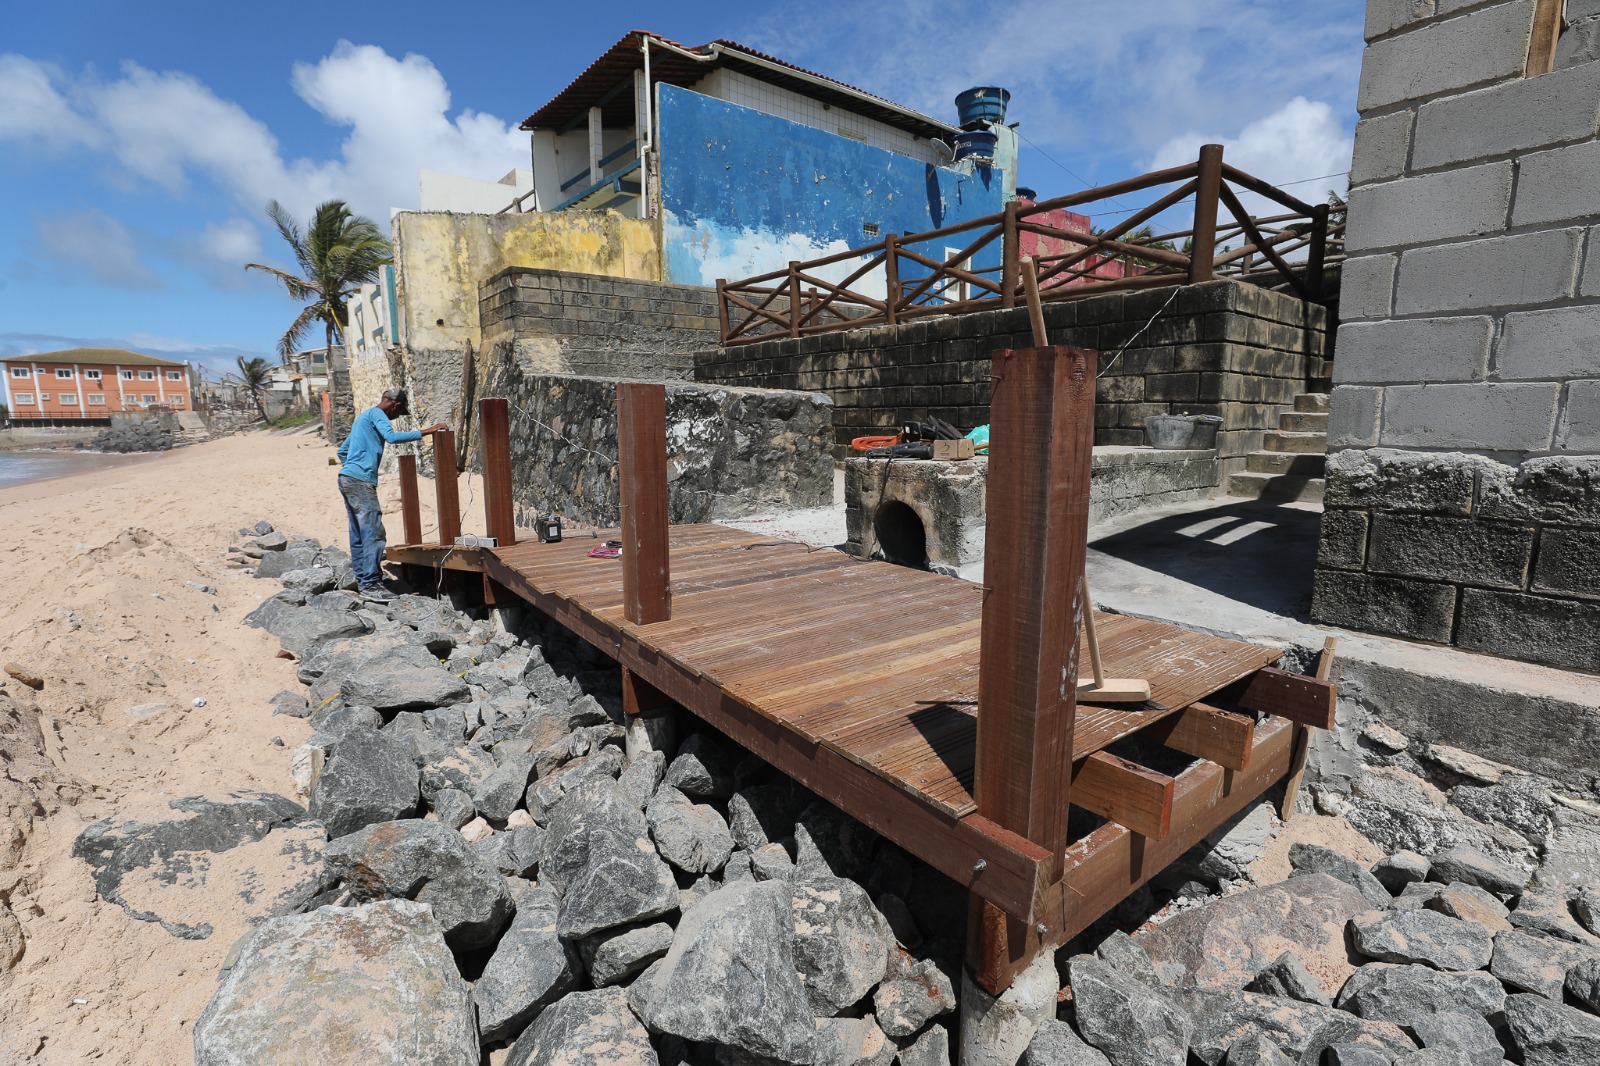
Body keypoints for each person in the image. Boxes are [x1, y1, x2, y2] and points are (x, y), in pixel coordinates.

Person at [336, 388, 446, 600]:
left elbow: (342, 451)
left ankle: (363, 579)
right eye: (400, 412)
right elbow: (392, 437)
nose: (397, 417)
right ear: (395, 405)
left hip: (346, 478)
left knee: (359, 532)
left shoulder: (362, 418)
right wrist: (427, 431)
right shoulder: (377, 414)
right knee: (373, 531)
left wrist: (353, 466)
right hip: (360, 480)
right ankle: (370, 584)